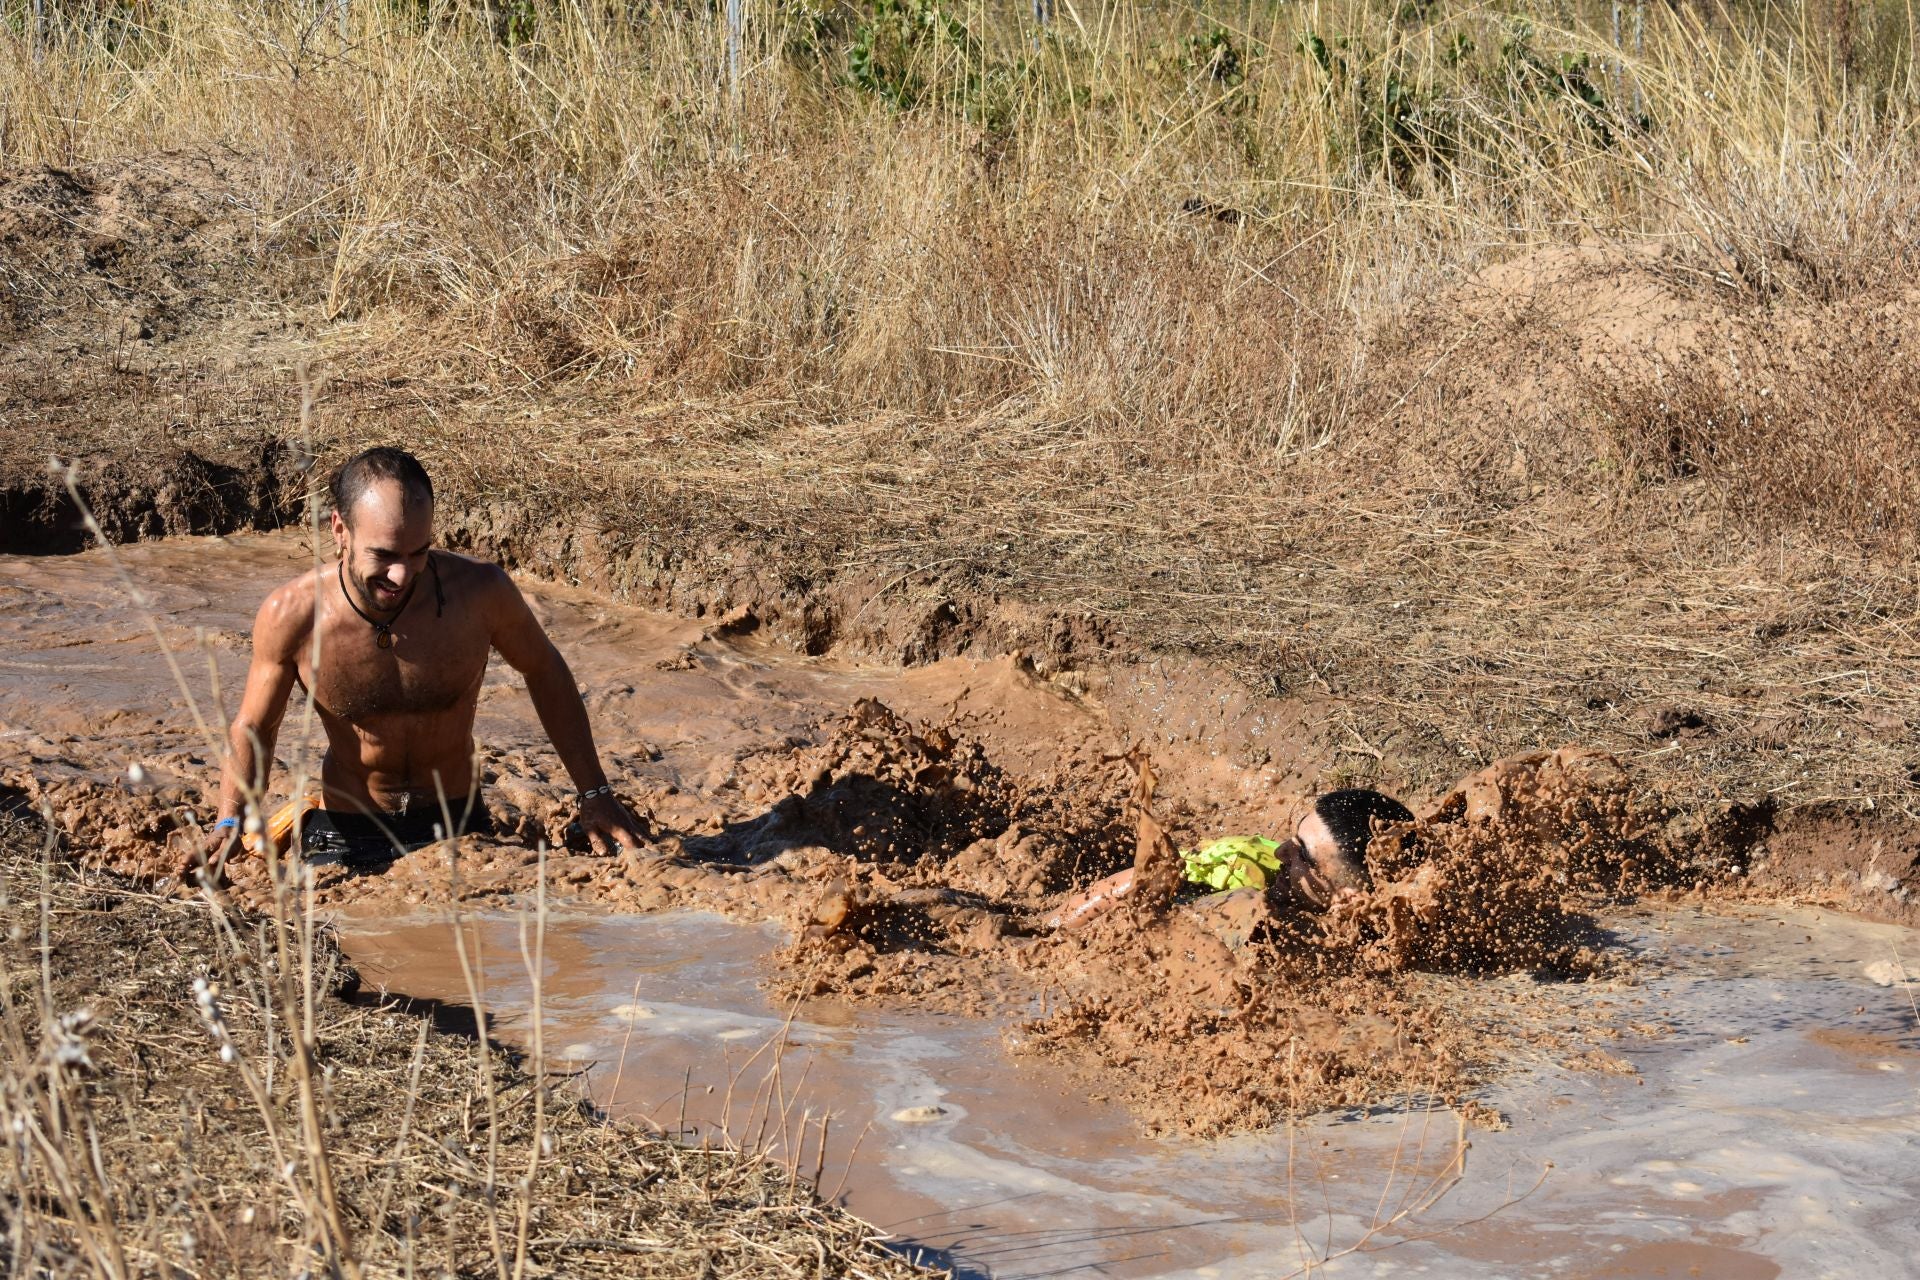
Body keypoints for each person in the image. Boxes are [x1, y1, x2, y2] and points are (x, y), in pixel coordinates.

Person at [192, 446, 647, 877]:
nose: (402, 575)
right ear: (340, 530)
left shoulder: (480, 594)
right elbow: (255, 725)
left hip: (456, 823)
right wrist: (230, 822)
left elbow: (543, 669)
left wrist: (595, 793)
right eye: (384, 555)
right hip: (346, 831)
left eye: (418, 552)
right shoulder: (293, 614)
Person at [1045, 788, 1414, 929]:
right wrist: (1050, 935)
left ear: (1351, 899)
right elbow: (1132, 885)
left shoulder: (1401, 921)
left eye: (1301, 853)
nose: (1281, 851)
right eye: (1292, 838)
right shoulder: (1238, 873)